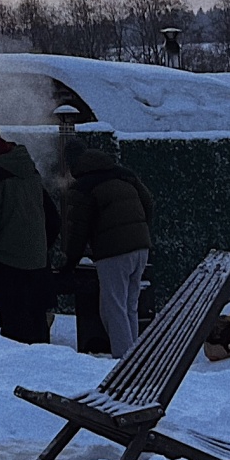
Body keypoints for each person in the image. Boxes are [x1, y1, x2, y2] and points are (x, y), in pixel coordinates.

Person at [56, 140, 154, 361]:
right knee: (130, 304)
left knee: (113, 307)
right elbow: (148, 202)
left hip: (113, 252)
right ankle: (134, 355)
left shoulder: (84, 186)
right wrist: (140, 231)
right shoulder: (124, 174)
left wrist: (70, 262)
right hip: (140, 246)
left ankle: (123, 359)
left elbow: (78, 230)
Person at [0, 120, 59, 344]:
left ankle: (19, 373)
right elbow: (53, 217)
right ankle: (44, 374)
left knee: (13, 328)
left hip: (7, 262)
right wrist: (40, 247)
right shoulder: (29, 168)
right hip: (38, 263)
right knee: (38, 325)